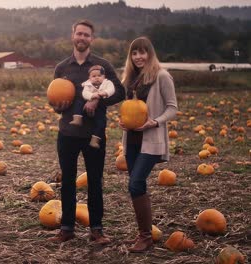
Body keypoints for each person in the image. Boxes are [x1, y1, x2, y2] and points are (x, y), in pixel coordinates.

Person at [49, 19, 125, 244]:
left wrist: (99, 100)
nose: (82, 38)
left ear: (92, 39)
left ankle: (97, 229)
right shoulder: (62, 68)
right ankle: (67, 228)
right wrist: (56, 107)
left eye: (86, 35)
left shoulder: (103, 66)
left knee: (94, 181)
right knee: (68, 181)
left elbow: (120, 92)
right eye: (79, 34)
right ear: (72, 35)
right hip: (67, 134)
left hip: (94, 134)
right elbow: (55, 98)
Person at [119, 36, 178, 252]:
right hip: (132, 140)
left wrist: (155, 122)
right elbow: (127, 108)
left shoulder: (162, 76)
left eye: (142, 52)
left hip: (151, 140)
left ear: (150, 54)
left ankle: (145, 236)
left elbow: (172, 108)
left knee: (135, 183)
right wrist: (122, 121)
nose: (138, 57)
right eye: (134, 53)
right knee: (137, 185)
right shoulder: (130, 79)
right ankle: (145, 234)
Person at [69, 65, 115, 148]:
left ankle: (94, 140)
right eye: (94, 76)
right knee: (78, 102)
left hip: (100, 108)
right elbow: (84, 93)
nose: (97, 78)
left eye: (99, 76)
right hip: (86, 105)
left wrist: (104, 93)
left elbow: (112, 90)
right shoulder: (88, 84)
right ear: (89, 77)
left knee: (101, 122)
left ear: (104, 76)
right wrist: (92, 96)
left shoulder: (107, 83)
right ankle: (77, 118)